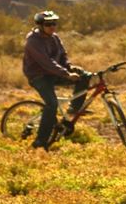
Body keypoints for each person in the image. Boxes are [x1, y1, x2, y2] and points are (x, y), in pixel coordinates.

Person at [22, 10, 89, 150]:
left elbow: (63, 55)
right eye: (48, 24)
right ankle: (40, 142)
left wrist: (69, 68)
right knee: (52, 105)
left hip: (54, 73)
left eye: (54, 23)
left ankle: (73, 110)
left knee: (84, 76)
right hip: (39, 76)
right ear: (40, 25)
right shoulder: (33, 41)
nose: (52, 27)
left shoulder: (54, 37)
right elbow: (46, 62)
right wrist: (66, 74)